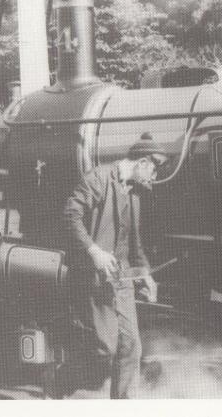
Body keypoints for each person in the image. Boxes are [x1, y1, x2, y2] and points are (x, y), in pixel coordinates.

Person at [62, 132, 168, 399]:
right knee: (106, 349)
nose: (154, 176)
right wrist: (94, 250)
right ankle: (58, 381)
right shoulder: (99, 178)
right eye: (154, 168)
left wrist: (145, 274)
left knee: (131, 346)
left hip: (122, 279)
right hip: (95, 276)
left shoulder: (134, 194)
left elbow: (134, 243)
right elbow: (70, 216)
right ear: (142, 161)